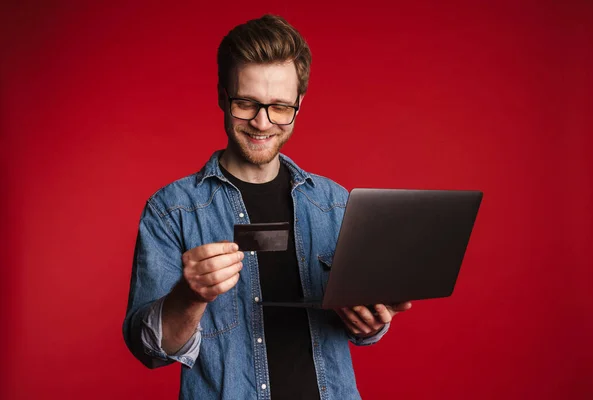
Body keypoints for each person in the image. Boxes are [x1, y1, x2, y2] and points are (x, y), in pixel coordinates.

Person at [123, 14, 411, 400]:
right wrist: (189, 297)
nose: (262, 122)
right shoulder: (171, 209)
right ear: (223, 96)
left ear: (299, 104)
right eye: (246, 103)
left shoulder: (335, 204)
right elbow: (149, 350)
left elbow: (363, 332)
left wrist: (371, 322)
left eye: (279, 107)